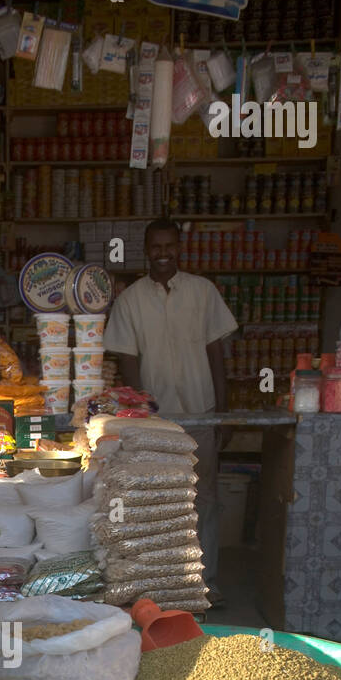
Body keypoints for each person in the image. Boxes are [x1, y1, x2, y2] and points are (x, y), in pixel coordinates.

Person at [103, 218, 238, 607]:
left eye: (170, 246)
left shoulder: (203, 292)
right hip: (154, 424)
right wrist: (140, 415)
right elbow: (128, 362)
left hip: (202, 412)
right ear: (146, 251)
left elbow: (216, 354)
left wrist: (223, 412)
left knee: (204, 498)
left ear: (180, 248)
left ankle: (206, 584)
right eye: (156, 247)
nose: (163, 253)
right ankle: (156, 589)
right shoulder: (130, 300)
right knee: (153, 502)